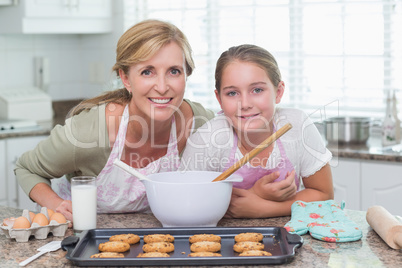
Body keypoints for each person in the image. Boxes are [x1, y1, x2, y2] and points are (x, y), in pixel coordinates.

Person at [15, 19, 214, 223]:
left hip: (156, 241)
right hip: (82, 239)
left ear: (186, 76)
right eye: (147, 72)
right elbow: (26, 168)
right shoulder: (89, 133)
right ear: (126, 79)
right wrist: (56, 204)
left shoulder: (199, 124)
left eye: (174, 71)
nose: (162, 87)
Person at [179, 44, 334, 218]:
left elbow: (324, 195)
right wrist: (255, 193)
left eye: (257, 90)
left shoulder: (297, 125)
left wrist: (264, 207)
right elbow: (187, 203)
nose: (245, 104)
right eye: (232, 93)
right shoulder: (206, 139)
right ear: (219, 99)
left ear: (278, 92)